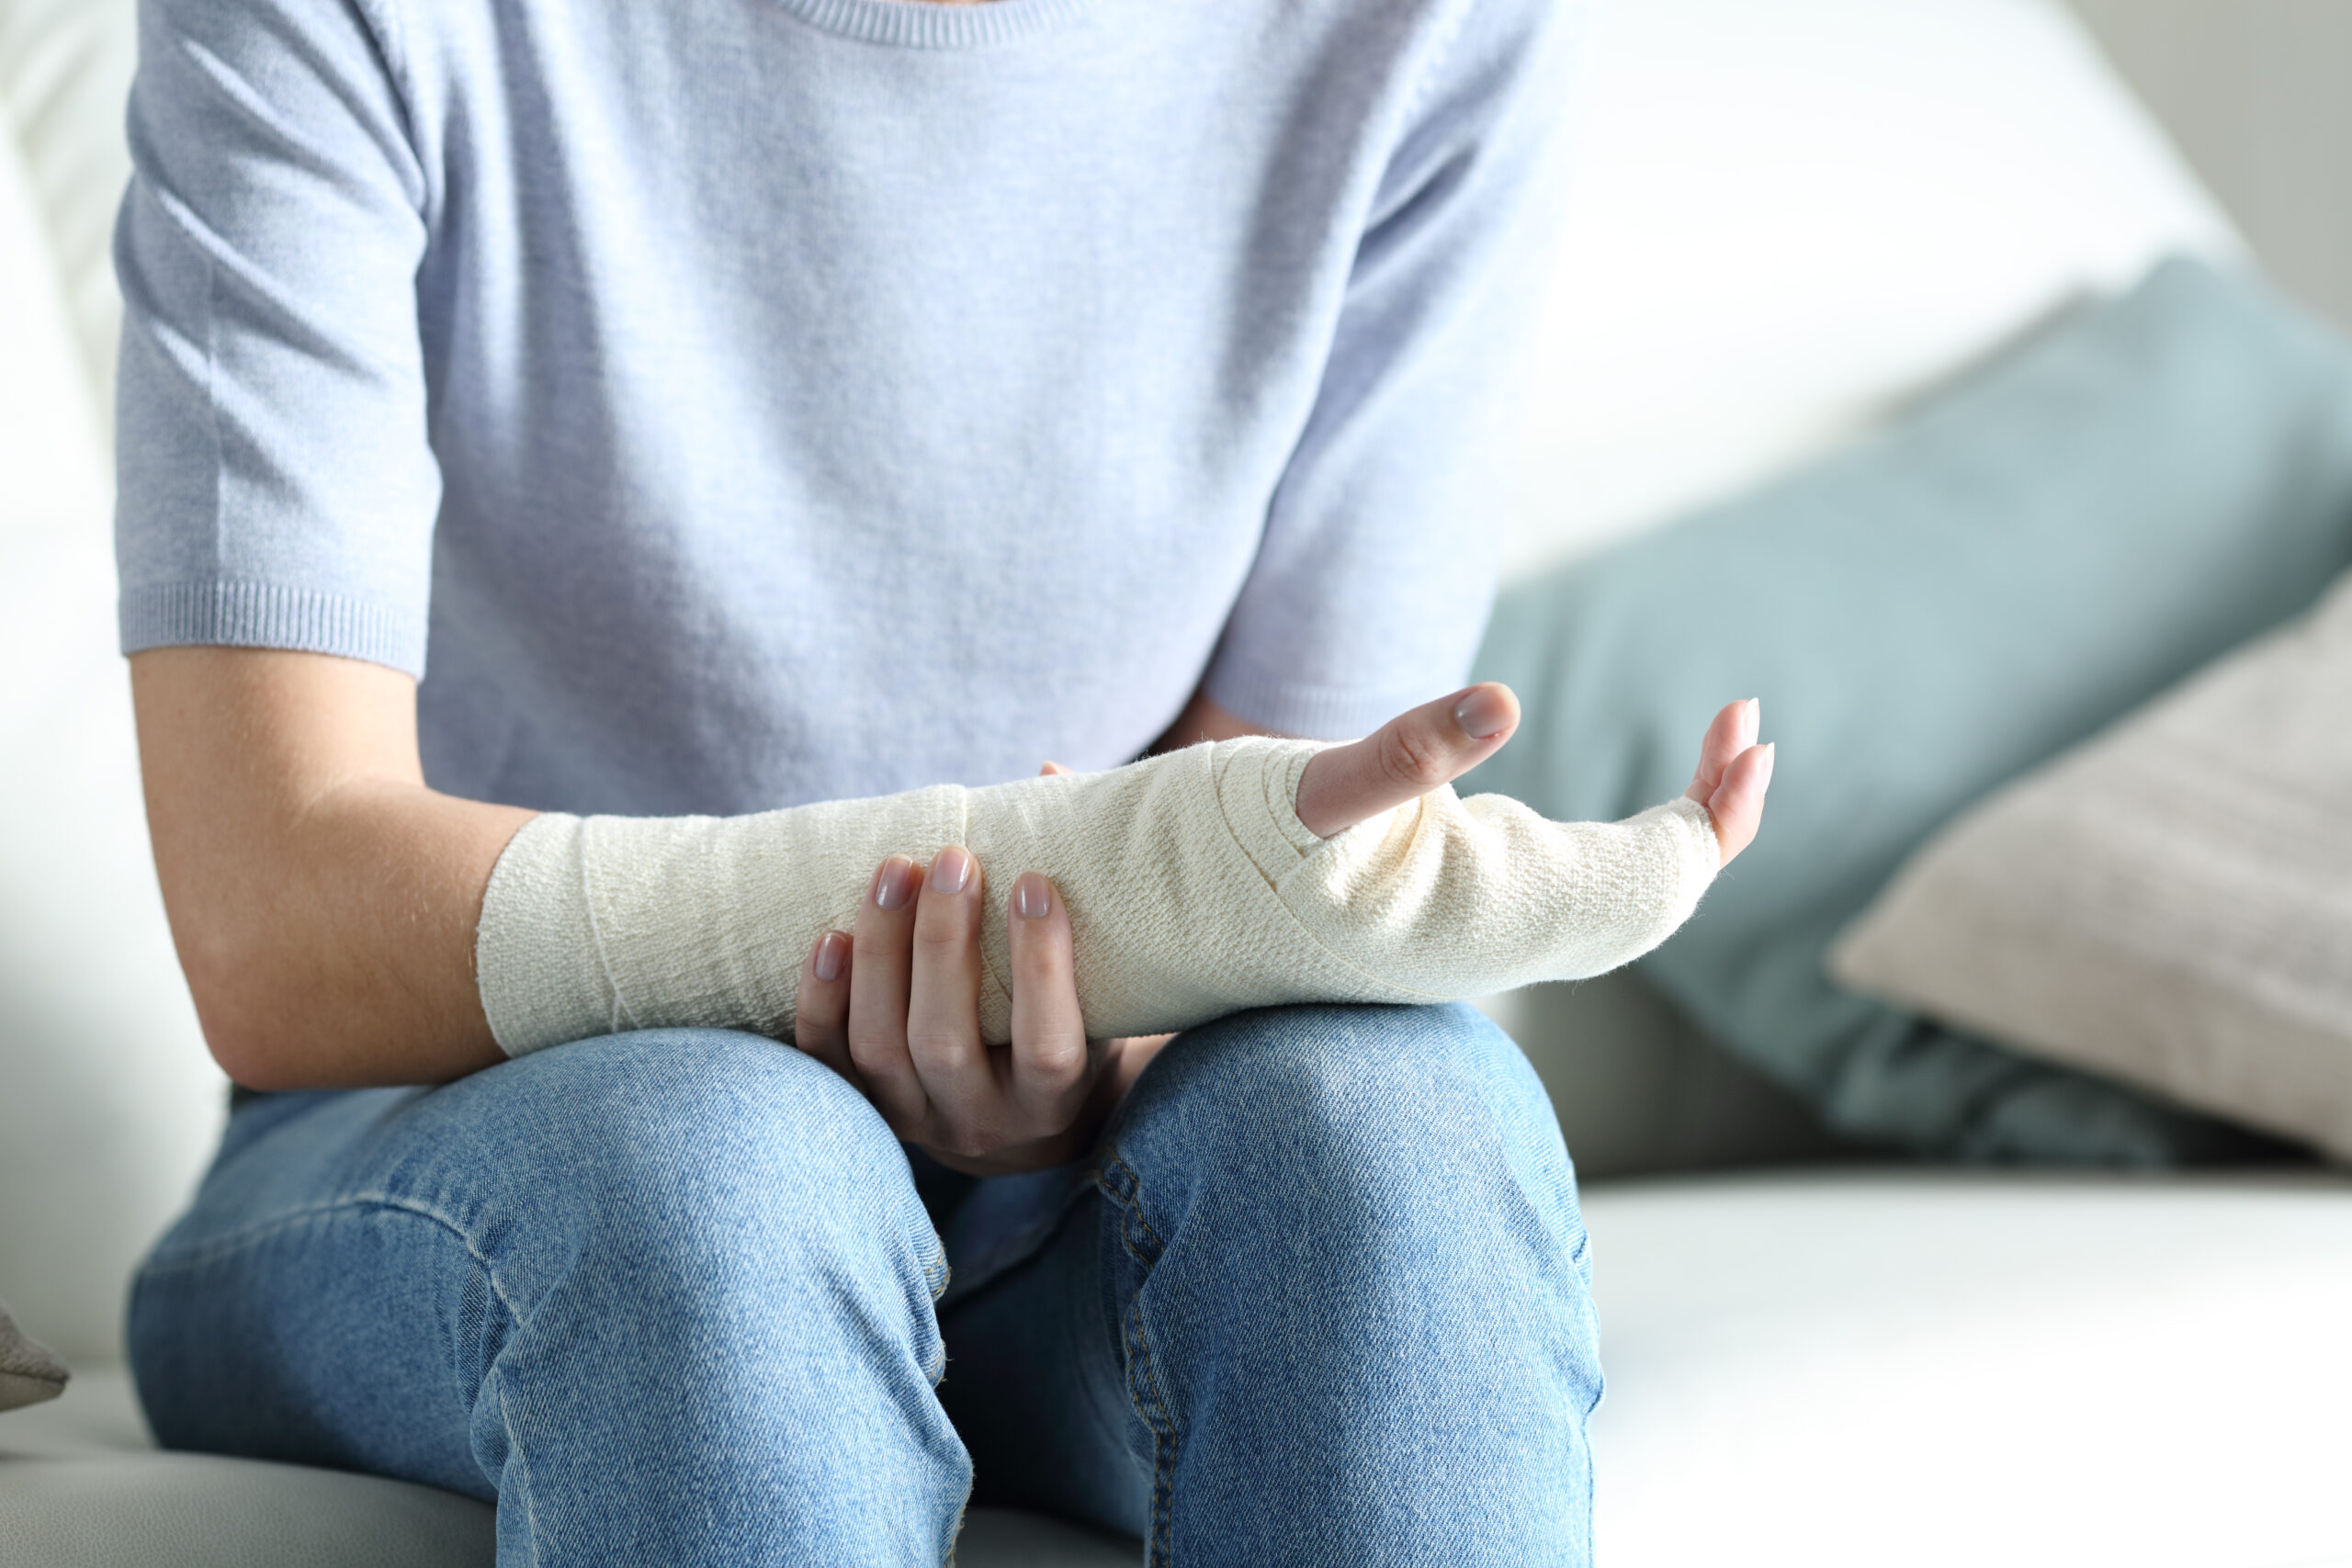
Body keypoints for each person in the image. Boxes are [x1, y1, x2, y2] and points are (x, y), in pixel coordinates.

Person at [111, 0, 1770, 1560]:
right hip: (456, 1145)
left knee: (1405, 1132)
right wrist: (954, 955)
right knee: (722, 1180)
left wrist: (1073, 1034)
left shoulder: (1423, 30)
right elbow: (278, 920)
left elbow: (1275, 872)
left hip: (1090, 1159)